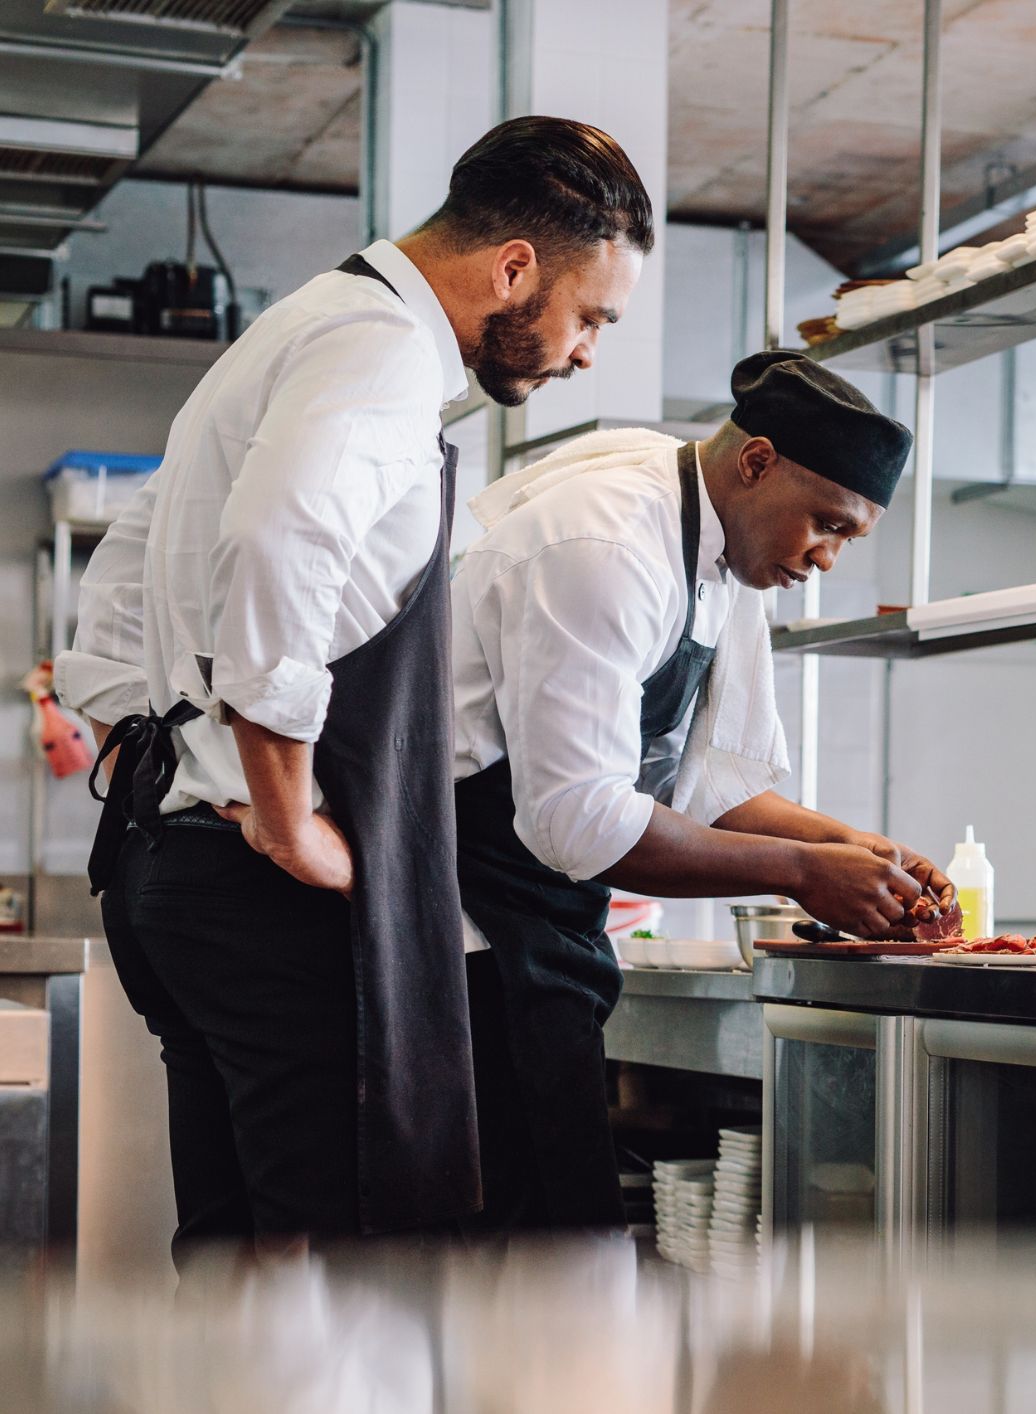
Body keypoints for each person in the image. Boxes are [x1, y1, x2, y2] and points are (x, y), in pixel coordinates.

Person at [52, 116, 653, 1254]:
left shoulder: (301, 326)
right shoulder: (377, 348)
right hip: (258, 894)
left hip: (172, 876)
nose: (585, 352)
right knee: (337, 1275)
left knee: (238, 1262)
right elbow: (278, 544)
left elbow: (125, 566)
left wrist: (148, 747)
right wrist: (285, 819)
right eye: (591, 316)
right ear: (512, 266)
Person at [451, 350, 948, 1229]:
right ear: (756, 463)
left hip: (548, 927)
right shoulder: (606, 543)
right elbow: (581, 820)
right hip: (466, 931)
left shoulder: (729, 556)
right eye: (825, 524)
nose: (826, 558)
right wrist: (801, 872)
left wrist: (851, 850)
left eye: (849, 538)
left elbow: (711, 785)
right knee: (528, 1248)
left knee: (565, 1240)